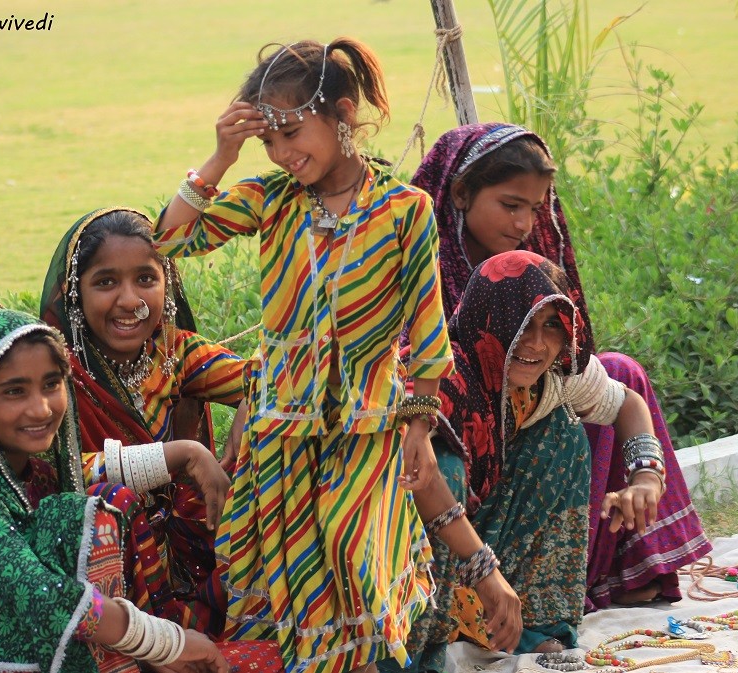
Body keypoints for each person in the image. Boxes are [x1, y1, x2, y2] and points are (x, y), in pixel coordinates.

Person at [152, 38, 454, 673]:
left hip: (365, 429)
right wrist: (223, 153)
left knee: (354, 557)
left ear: (343, 114)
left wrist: (419, 430)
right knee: (291, 585)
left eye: (292, 133)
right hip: (280, 437)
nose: (284, 155)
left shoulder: (405, 210)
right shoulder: (271, 197)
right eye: (270, 143)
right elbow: (173, 237)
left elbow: (427, 335)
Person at [411, 123, 711, 610]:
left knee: (619, 374)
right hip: (450, 421)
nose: (523, 225)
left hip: (524, 402)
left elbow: (576, 361)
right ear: (461, 194)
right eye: (510, 205)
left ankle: (604, 568)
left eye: (534, 208)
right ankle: (489, 588)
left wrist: (645, 475)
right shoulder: (421, 266)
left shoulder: (533, 263)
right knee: (531, 439)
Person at [0, 309, 228, 673]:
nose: (41, 408)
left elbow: (102, 471)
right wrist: (167, 642)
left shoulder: (32, 475)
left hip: (16, 644)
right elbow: (45, 599)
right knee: (82, 521)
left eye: (51, 384)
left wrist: (190, 453)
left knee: (107, 503)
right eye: (15, 391)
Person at [438, 250, 668, 654]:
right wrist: (484, 571)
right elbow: (418, 477)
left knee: (561, 433)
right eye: (521, 324)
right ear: (488, 319)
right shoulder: (445, 374)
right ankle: (423, 636)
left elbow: (628, 404)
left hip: (482, 542)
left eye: (552, 326)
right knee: (448, 467)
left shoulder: (557, 373)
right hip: (419, 541)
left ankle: (535, 622)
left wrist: (646, 475)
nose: (537, 344)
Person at [41, 208, 247, 634]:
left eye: (146, 279)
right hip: (106, 572)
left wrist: (254, 399)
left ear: (166, 285)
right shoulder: (54, 377)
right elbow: (61, 474)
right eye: (106, 282)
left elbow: (280, 383)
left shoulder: (174, 354)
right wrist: (182, 454)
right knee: (107, 501)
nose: (130, 301)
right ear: (73, 292)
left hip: (191, 547)